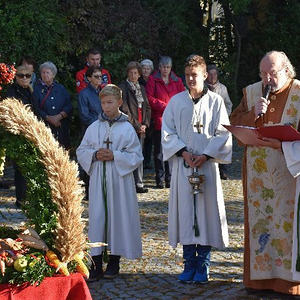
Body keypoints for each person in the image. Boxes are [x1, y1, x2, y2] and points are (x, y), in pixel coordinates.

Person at [230, 50, 300, 295]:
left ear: (287, 71)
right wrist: (252, 113)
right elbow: (235, 121)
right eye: (263, 74)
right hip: (258, 177)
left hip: (291, 175)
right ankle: (259, 281)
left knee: (288, 229)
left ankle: (288, 283)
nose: (267, 79)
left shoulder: (299, 93)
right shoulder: (251, 93)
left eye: (272, 73)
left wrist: (282, 144)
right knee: (261, 224)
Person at [162, 54, 232, 283]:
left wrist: (205, 155)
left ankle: (203, 264)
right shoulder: (176, 102)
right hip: (184, 166)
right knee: (186, 213)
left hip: (206, 166)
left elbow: (223, 133)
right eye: (188, 75)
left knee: (206, 214)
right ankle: (188, 263)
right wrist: (183, 152)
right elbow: (167, 131)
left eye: (195, 75)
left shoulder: (215, 102)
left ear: (205, 75)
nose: (191, 79)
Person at [76, 84, 143, 281]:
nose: (106, 106)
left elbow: (136, 155)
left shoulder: (127, 128)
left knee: (117, 217)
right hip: (99, 178)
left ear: (119, 102)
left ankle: (114, 261)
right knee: (97, 218)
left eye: (110, 102)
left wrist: (115, 155)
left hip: (119, 180)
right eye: (103, 103)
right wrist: (95, 154)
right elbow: (81, 150)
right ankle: (95, 263)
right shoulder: (94, 127)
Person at [146, 56, 185, 188]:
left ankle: (170, 178)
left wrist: (174, 108)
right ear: (159, 67)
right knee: (159, 152)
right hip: (159, 119)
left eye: (168, 67)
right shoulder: (153, 80)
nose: (165, 70)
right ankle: (160, 179)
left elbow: (183, 97)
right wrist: (165, 106)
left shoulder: (177, 81)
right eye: (163, 67)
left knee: (173, 149)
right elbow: (149, 98)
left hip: (175, 120)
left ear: (171, 68)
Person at [119, 61, 151, 193]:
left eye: (136, 73)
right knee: (129, 154)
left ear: (139, 75)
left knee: (139, 154)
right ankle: (130, 183)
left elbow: (147, 107)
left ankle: (139, 183)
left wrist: (145, 124)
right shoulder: (123, 87)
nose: (133, 75)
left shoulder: (141, 88)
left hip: (141, 126)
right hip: (129, 125)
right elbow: (124, 109)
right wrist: (137, 125)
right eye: (131, 73)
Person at [7, 65, 34, 208]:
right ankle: (21, 200)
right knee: (21, 168)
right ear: (16, 77)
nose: (24, 78)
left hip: (33, 132)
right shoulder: (11, 91)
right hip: (18, 134)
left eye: (27, 75)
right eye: (21, 75)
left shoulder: (32, 91)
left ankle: (28, 199)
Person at [33, 61, 72, 149]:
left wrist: (59, 116)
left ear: (53, 75)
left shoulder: (61, 88)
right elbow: (35, 108)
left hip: (61, 126)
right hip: (44, 126)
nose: (45, 74)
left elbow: (68, 105)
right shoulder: (36, 90)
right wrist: (49, 118)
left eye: (48, 72)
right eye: (43, 72)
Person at [206, 64, 233, 180]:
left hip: (220, 121)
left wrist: (224, 115)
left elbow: (228, 104)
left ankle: (223, 171)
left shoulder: (222, 88)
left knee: (222, 144)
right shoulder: (202, 88)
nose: (212, 77)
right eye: (210, 74)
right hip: (207, 121)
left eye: (214, 74)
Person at [78, 65, 103, 133]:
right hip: (91, 130)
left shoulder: (104, 92)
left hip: (105, 128)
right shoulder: (83, 94)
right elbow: (84, 116)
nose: (99, 78)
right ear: (89, 78)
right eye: (96, 76)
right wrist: (102, 121)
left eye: (100, 76)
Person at [140, 59, 154, 170]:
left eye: (148, 68)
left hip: (152, 111)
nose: (146, 70)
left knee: (149, 138)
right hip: (142, 111)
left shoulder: (153, 80)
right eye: (144, 68)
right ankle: (141, 160)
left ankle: (148, 161)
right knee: (141, 137)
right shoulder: (138, 81)